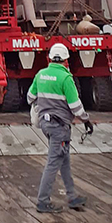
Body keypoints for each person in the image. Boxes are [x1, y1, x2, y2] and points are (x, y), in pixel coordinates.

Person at [27, 43, 94, 213]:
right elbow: (75, 106)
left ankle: (72, 196)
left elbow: (30, 97)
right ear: (65, 61)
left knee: (64, 160)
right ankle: (43, 201)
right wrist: (86, 120)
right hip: (60, 127)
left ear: (50, 58)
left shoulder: (41, 74)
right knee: (53, 162)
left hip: (46, 124)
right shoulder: (66, 78)